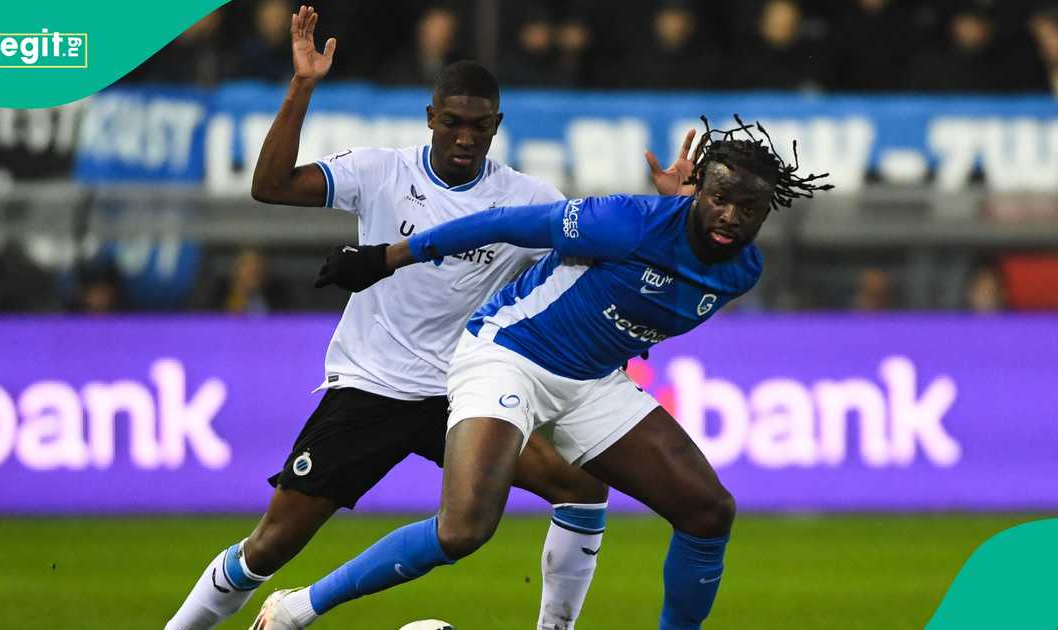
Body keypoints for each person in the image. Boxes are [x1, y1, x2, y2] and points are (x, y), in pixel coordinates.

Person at [164, 6, 704, 629]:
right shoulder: (379, 171)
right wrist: (303, 84)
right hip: (372, 386)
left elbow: (607, 254)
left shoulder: (529, 200)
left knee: (580, 487)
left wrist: (671, 218)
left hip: (466, 389)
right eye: (452, 122)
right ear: (430, 118)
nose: (465, 137)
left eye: (479, 126)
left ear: (497, 126)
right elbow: (271, 184)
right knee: (270, 547)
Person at [260, 117, 832, 629]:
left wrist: (680, 215)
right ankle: (298, 607)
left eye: (747, 207)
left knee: (709, 511)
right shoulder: (624, 223)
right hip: (509, 355)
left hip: (590, 382)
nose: (730, 216)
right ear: (700, 190)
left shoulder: (743, 270)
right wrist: (386, 257)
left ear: (768, 210)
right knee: (463, 530)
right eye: (718, 198)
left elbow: (652, 299)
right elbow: (505, 222)